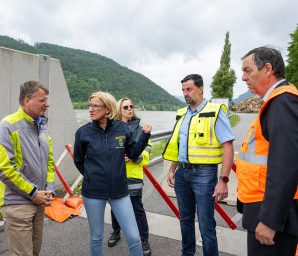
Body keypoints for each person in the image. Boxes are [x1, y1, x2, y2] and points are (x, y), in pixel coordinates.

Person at [163, 74, 235, 256]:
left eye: (189, 89)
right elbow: (178, 146)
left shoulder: (216, 110)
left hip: (205, 174)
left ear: (201, 88)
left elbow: (228, 146)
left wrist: (223, 180)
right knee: (185, 220)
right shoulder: (181, 113)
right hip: (182, 174)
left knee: (206, 224)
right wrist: (172, 170)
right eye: (183, 90)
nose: (185, 93)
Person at [236, 46, 298, 256]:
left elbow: (285, 166)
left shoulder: (283, 102)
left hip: (272, 217)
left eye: (247, 70)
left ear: (267, 69)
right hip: (263, 208)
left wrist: (270, 221)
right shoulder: (276, 102)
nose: (243, 77)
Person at [74, 91, 152, 256]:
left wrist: (145, 136)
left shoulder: (121, 128)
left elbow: (132, 153)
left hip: (119, 191)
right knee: (96, 237)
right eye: (90, 105)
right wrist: (92, 176)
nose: (91, 109)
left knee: (134, 237)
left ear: (108, 109)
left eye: (96, 106)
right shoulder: (83, 132)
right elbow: (79, 160)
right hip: (93, 192)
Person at [0, 81, 55, 256]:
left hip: (39, 202)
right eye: (43, 100)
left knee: (34, 252)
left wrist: (48, 189)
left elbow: (49, 162)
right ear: (27, 100)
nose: (47, 104)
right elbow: (5, 169)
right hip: (17, 204)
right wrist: (34, 193)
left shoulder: (42, 126)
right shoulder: (7, 126)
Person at [107, 98, 152, 256]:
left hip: (133, 176)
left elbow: (147, 151)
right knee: (114, 206)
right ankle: (116, 231)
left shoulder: (140, 129)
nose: (129, 109)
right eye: (125, 107)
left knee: (137, 209)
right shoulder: (110, 128)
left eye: (131, 106)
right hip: (115, 175)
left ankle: (144, 240)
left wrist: (135, 157)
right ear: (119, 110)